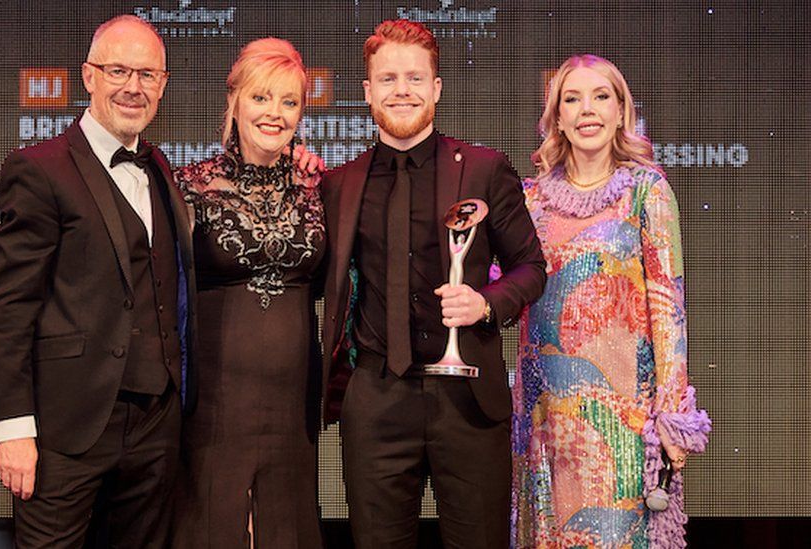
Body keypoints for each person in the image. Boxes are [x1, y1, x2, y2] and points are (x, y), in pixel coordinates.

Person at [320, 20, 546, 548]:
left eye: (416, 78)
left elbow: (531, 268)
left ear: (437, 88)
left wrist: (485, 303)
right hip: (376, 400)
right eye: (389, 78)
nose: (403, 90)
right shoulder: (339, 183)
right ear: (368, 90)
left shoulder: (486, 170)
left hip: (468, 402)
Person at [0, 15, 196, 547]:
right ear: (89, 76)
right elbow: (9, 307)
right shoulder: (39, 169)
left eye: (147, 74)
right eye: (118, 70)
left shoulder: (162, 169)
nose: (133, 86)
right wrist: (11, 429)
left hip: (155, 429)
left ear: (163, 85)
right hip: (65, 430)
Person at [511, 54, 711, 548]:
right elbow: (502, 285)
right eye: (572, 99)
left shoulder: (647, 192)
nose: (587, 110)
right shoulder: (530, 200)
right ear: (556, 116)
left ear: (622, 111)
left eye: (601, 96)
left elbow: (669, 308)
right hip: (544, 421)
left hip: (622, 421)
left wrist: (671, 415)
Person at [171, 37, 325, 549]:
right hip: (215, 407)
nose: (275, 114)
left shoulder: (318, 188)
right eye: (261, 97)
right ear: (234, 99)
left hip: (292, 406)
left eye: (289, 102)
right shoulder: (189, 187)